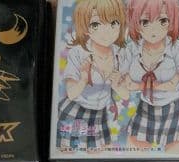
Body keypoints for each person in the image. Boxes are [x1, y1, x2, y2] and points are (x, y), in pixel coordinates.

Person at [56, 0, 130, 151]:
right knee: (68, 153)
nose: (106, 31)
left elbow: (126, 95)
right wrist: (83, 79)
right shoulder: (78, 53)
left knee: (98, 154)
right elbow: (71, 94)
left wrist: (117, 85)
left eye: (113, 23)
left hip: (99, 114)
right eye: (95, 24)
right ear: (85, 28)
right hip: (75, 111)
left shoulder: (120, 54)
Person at [124, 0, 179, 151]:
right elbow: (127, 81)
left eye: (163, 20)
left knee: (174, 147)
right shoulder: (132, 48)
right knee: (135, 143)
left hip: (175, 104)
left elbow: (173, 83)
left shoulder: (176, 47)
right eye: (145, 21)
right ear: (136, 23)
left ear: (172, 22)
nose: (154, 29)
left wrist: (141, 86)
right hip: (147, 104)